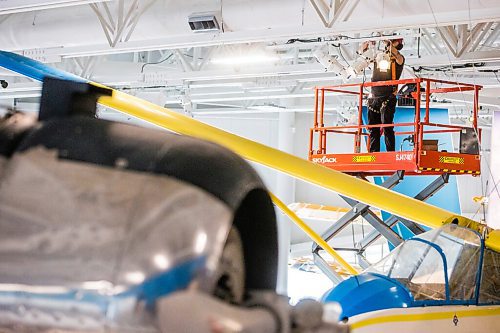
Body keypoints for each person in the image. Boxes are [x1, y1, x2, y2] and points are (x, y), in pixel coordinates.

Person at [367, 38, 405, 152]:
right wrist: (368, 46)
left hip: (387, 97)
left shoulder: (399, 58)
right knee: (373, 128)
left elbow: (396, 54)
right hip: (374, 97)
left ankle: (390, 153)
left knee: (387, 126)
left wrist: (387, 43)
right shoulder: (379, 57)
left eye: (392, 42)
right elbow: (364, 56)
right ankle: (373, 153)